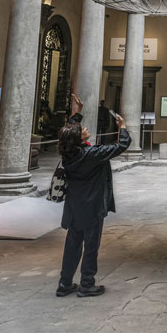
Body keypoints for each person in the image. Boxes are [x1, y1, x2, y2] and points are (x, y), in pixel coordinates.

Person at [55, 92, 131, 298]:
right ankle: (87, 284)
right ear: (78, 138)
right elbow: (121, 146)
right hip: (92, 205)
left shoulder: (69, 152)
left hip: (74, 206)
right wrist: (122, 128)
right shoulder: (91, 155)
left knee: (72, 245)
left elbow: (66, 134)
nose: (86, 129)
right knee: (91, 247)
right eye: (82, 129)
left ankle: (64, 283)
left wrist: (77, 114)